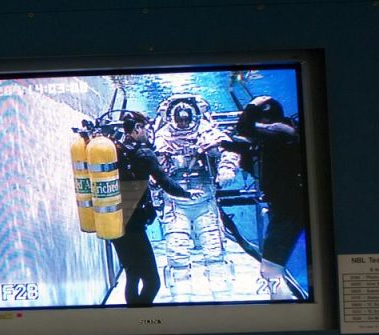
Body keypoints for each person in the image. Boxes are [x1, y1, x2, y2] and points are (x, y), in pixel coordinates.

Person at [153, 94, 241, 298]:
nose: (183, 123)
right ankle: (181, 299)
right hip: (175, 203)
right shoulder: (163, 136)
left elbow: (229, 150)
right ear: (171, 117)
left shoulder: (206, 132)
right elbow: (154, 166)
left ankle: (221, 296)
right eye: (180, 119)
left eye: (187, 119)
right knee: (177, 254)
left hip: (204, 200)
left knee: (214, 251)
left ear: (194, 116)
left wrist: (227, 168)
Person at [112, 111, 194, 305]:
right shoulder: (143, 154)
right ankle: (141, 318)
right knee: (152, 283)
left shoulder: (114, 150)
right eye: (147, 129)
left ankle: (133, 318)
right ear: (137, 128)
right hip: (133, 226)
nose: (149, 133)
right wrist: (187, 193)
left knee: (132, 274)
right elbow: (166, 183)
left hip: (112, 222)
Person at [232, 96, 305, 299]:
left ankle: (282, 306)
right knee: (271, 267)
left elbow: (244, 128)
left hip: (289, 208)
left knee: (271, 269)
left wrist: (252, 104)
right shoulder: (279, 135)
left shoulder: (280, 131)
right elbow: (250, 146)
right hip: (284, 206)